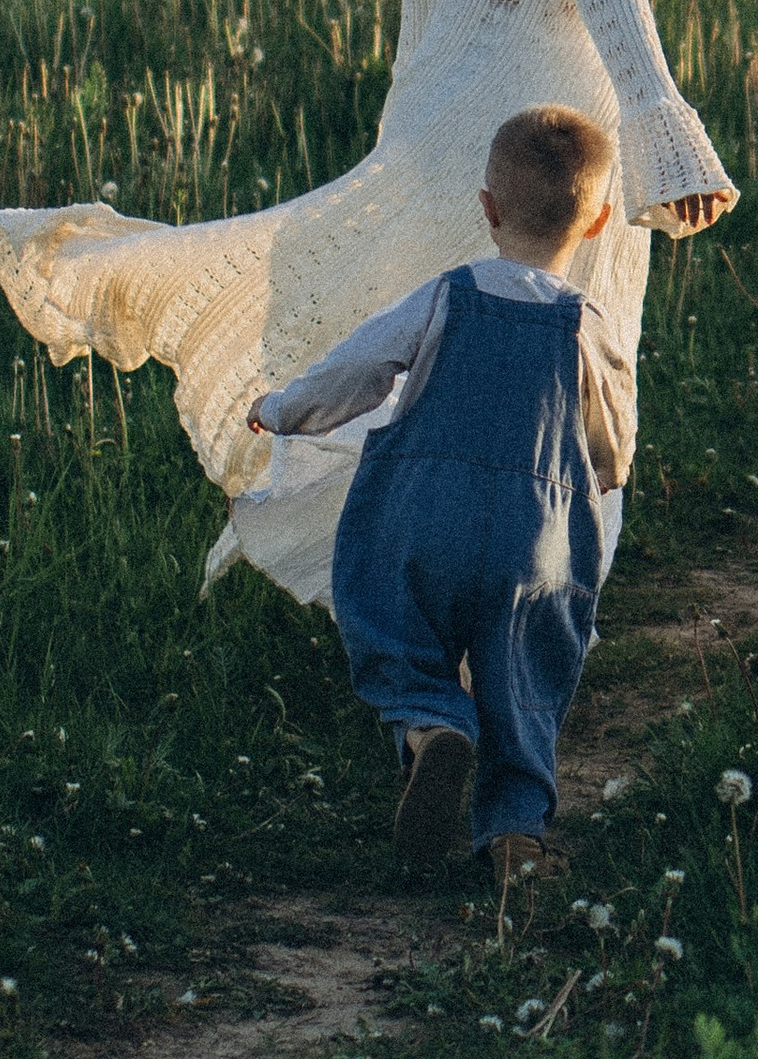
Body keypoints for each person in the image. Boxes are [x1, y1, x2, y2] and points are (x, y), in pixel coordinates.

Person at [0, 0, 734, 608]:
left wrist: (395, 173)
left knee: (413, 370)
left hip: (440, 138)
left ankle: (413, 586)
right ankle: (536, 597)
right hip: (557, 136)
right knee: (569, 355)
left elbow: (415, 42)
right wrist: (666, 137)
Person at [249, 106, 627, 885]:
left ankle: (429, 725)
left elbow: (358, 369)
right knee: (524, 674)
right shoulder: (586, 326)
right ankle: (515, 832)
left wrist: (284, 409)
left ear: (486, 208)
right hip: (537, 540)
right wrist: (603, 468)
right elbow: (611, 440)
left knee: (393, 626)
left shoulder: (445, 297)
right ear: (598, 225)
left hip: (421, 517)